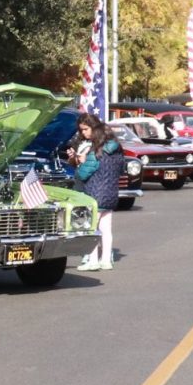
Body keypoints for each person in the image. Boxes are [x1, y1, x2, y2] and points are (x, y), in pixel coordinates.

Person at [72, 114, 124, 271]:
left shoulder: (96, 152)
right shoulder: (117, 149)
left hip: (95, 194)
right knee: (106, 230)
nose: (84, 134)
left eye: (86, 130)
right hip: (111, 193)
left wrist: (81, 162)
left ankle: (93, 260)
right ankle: (106, 260)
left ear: (95, 131)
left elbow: (82, 174)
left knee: (91, 229)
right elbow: (121, 170)